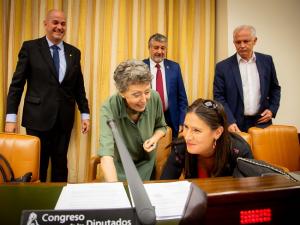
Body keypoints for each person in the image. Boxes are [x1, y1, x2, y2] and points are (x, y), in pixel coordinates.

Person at [5, 9, 90, 182]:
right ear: (46, 24)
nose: (59, 27)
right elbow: (16, 86)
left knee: (60, 166)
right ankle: (38, 205)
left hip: (64, 119)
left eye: (63, 23)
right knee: (38, 166)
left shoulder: (74, 52)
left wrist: (85, 113)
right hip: (37, 119)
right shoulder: (30, 48)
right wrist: (10, 119)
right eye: (55, 22)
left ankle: (61, 205)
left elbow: (78, 87)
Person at [99, 59, 167, 182]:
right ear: (122, 92)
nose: (144, 100)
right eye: (136, 95)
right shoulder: (109, 108)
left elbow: (161, 127)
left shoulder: (155, 97)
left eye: (147, 92)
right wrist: (115, 189)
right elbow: (106, 155)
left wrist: (154, 139)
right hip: (120, 168)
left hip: (147, 166)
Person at [161, 98, 253, 179]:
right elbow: (163, 187)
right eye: (186, 127)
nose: (187, 137)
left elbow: (249, 193)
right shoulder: (181, 146)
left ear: (218, 132)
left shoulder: (239, 151)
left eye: (196, 130)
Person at [213, 25, 281, 132]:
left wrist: (272, 110)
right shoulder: (222, 67)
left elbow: (275, 88)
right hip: (235, 124)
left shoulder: (267, 61)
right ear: (234, 42)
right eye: (238, 42)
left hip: (262, 122)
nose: (242, 45)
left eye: (246, 41)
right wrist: (229, 121)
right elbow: (219, 97)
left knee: (262, 149)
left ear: (255, 41)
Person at [143, 33, 188, 138]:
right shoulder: (140, 67)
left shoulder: (175, 67)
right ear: (149, 48)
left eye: (163, 48)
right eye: (156, 47)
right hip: (148, 118)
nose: (160, 51)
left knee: (172, 151)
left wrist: (182, 121)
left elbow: (182, 99)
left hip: (172, 119)